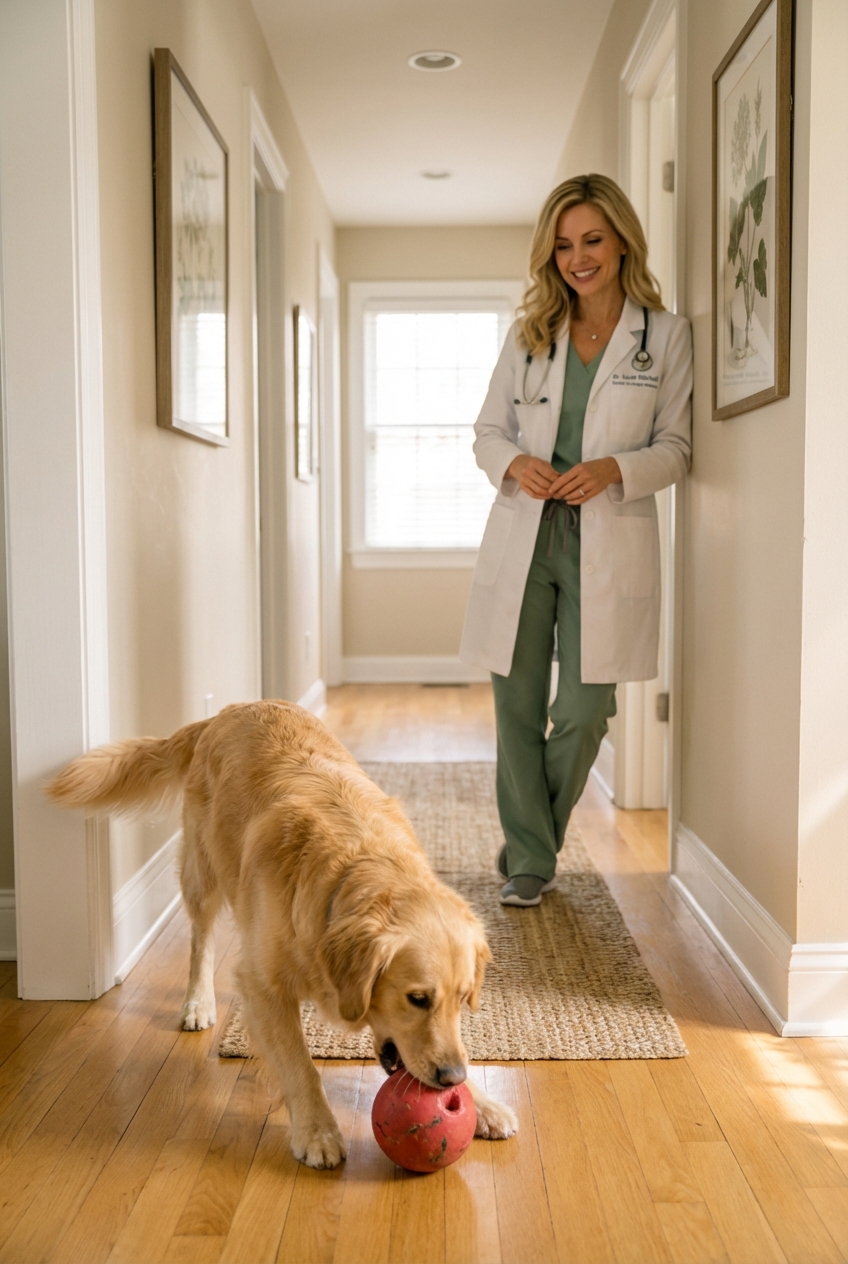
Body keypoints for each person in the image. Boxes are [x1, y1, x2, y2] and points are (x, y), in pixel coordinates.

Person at [460, 173, 693, 907]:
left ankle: (531, 834)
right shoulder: (530, 334)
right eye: (563, 244)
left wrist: (612, 468)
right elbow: (486, 433)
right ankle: (531, 861)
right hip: (526, 535)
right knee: (517, 703)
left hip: (606, 532)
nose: (577, 257)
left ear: (622, 240)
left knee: (587, 710)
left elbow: (679, 448)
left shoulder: (665, 335)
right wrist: (514, 462)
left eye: (592, 239)